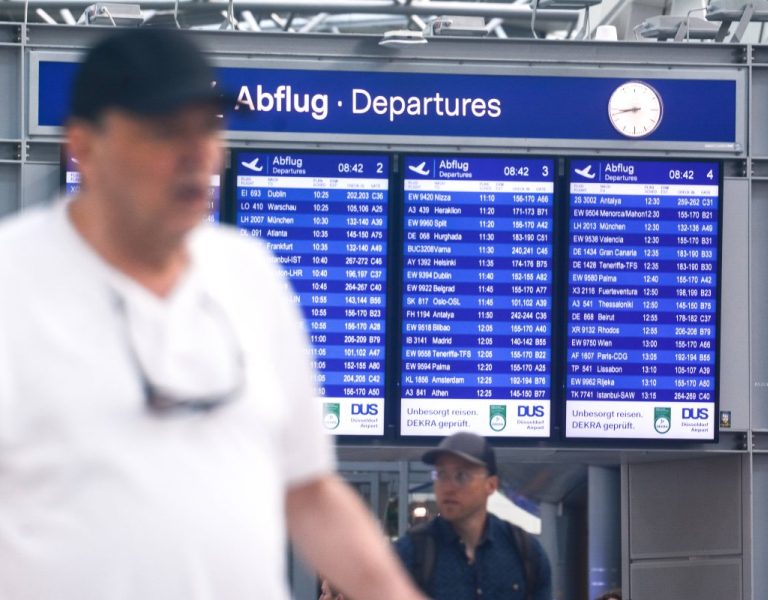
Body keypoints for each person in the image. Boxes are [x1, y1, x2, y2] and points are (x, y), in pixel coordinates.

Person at [0, 28, 425, 600]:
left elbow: (307, 492)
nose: (196, 153)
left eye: (208, 128)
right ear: (84, 148)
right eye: (164, 132)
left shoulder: (249, 276)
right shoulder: (15, 284)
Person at [321, 431, 552, 600]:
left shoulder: (524, 552)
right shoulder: (411, 553)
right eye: (441, 475)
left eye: (461, 476)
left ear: (491, 485)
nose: (448, 486)